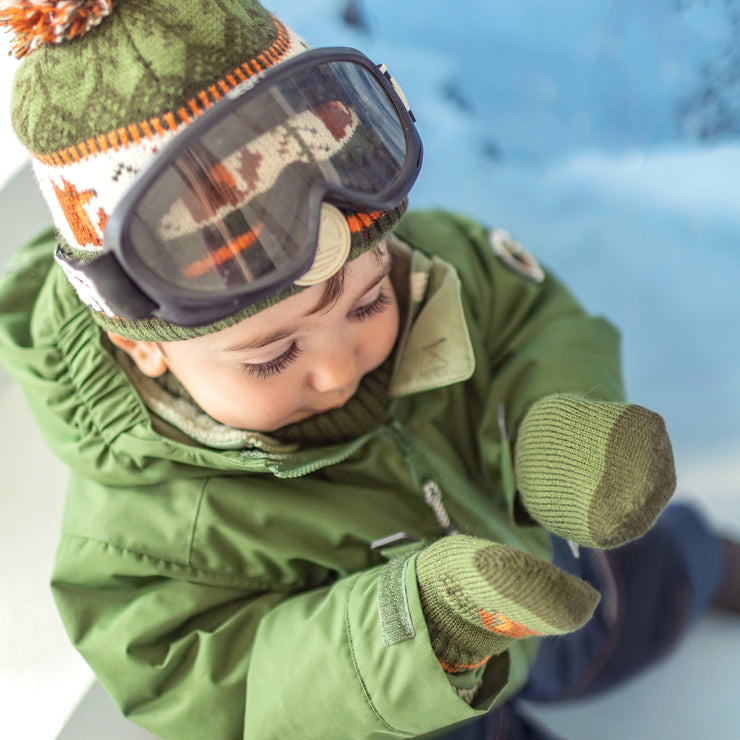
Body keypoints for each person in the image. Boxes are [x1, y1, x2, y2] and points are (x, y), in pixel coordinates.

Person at [0, 1, 736, 738]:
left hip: (543, 560)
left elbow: (524, 318)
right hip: (408, 710)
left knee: (644, 587)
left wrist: (558, 434)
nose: (335, 369)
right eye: (276, 354)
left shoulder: (434, 264)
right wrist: (419, 631)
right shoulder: (146, 533)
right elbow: (215, 687)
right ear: (142, 343)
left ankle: (705, 564)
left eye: (366, 302)